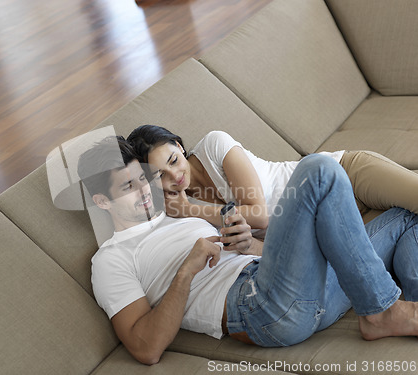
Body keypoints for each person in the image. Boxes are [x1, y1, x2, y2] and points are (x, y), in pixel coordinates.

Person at [77, 135, 418, 365]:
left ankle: (406, 302)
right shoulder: (111, 259)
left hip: (301, 288)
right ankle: (382, 311)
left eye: (141, 178)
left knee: (404, 218)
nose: (144, 190)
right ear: (102, 201)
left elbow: (265, 247)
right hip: (261, 307)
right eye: (127, 187)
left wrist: (249, 242)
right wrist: (186, 270)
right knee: (318, 169)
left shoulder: (176, 210)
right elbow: (145, 347)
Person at [127, 126, 418, 252]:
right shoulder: (177, 208)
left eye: (174, 160)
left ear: (178, 145)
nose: (175, 176)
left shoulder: (215, 145)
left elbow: (259, 216)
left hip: (342, 175)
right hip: (333, 225)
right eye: (161, 176)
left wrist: (194, 209)